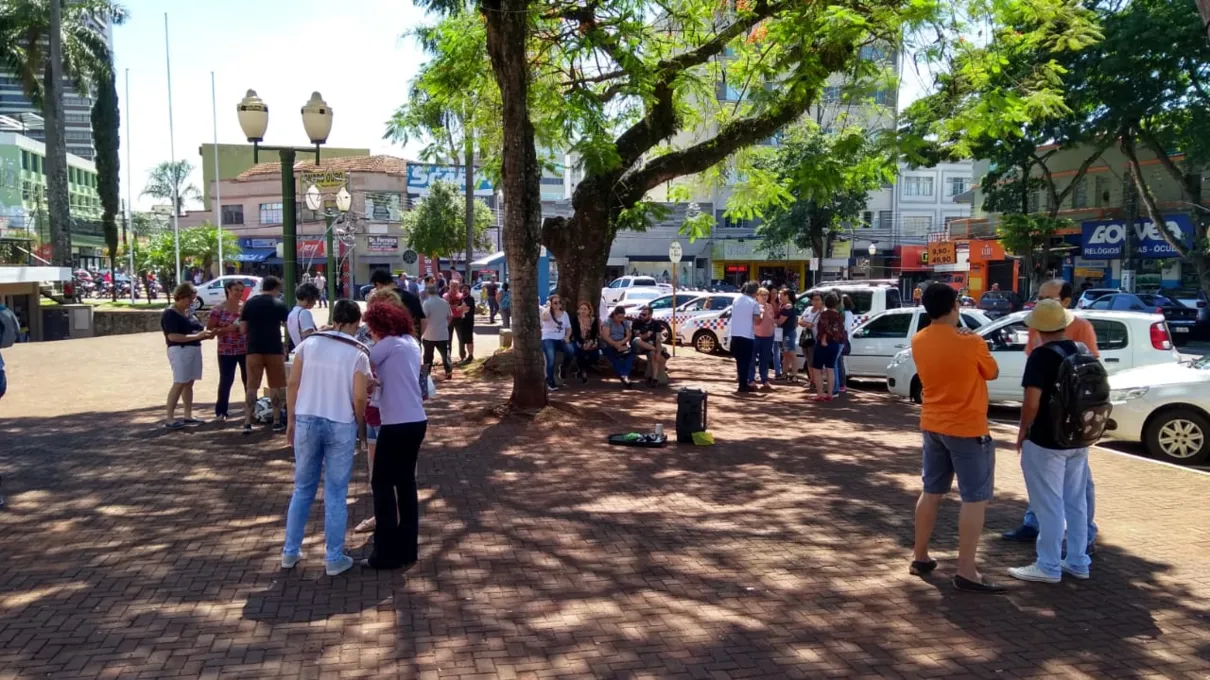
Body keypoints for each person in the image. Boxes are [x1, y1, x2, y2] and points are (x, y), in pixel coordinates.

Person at [910, 283, 1003, 593]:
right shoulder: (971, 341)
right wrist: (968, 338)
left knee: (931, 490)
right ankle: (966, 570)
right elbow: (992, 372)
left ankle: (920, 555)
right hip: (967, 427)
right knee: (975, 498)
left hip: (933, 424)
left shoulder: (919, 339)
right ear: (953, 307)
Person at [1004, 280, 1099, 548]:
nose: (1043, 300)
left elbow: (1032, 400)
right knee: (1075, 498)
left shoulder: (1046, 352)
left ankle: (1049, 563)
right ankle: (1079, 558)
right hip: (1077, 432)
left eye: (1049, 298)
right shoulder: (1078, 348)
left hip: (1049, 433)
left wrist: (1023, 430)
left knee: (1051, 500)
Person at [280, 299, 369, 577]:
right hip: (341, 422)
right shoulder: (358, 353)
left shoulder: (308, 345)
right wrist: (360, 422)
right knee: (336, 492)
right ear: (356, 322)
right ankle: (333, 556)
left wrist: (291, 419)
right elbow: (359, 396)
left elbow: (292, 383)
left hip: (307, 418)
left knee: (303, 489)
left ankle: (290, 552)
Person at [363, 302, 428, 571]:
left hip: (396, 423)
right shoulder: (411, 342)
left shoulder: (388, 344)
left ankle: (386, 552)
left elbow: (362, 358)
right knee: (405, 484)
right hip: (416, 420)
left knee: (381, 484)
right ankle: (408, 549)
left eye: (371, 328)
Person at [240, 275, 290, 435]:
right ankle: (276, 421)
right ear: (275, 288)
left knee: (251, 386)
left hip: (253, 348)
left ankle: (247, 422)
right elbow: (287, 324)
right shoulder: (279, 304)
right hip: (274, 348)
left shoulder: (249, 304)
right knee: (276, 385)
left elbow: (243, 329)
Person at [160, 283, 215, 429]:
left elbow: (197, 329)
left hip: (194, 349)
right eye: (191, 298)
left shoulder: (189, 312)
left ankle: (187, 414)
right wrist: (197, 336)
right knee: (179, 382)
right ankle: (169, 418)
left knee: (189, 382)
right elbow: (173, 337)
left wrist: (206, 334)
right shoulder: (170, 314)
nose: (192, 302)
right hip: (180, 350)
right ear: (182, 296)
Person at [206, 279, 248, 422]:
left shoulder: (245, 308)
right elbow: (209, 329)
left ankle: (251, 409)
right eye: (236, 290)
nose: (239, 293)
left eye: (241, 290)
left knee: (248, 380)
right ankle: (221, 411)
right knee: (226, 380)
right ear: (228, 290)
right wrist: (227, 329)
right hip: (226, 350)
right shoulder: (218, 309)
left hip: (245, 349)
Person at [810, 293, 846, 402]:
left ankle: (820, 393)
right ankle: (830, 394)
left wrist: (824, 339)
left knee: (817, 369)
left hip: (823, 343)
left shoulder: (824, 314)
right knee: (830, 369)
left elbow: (823, 328)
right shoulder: (840, 316)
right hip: (835, 344)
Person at [370, 268, 425, 337]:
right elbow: (423, 321)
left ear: (378, 284)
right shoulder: (413, 297)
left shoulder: (381, 300)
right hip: (413, 342)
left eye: (376, 287)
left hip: (392, 344)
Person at [730, 281, 763, 394]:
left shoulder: (737, 299)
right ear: (755, 292)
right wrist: (761, 315)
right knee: (746, 361)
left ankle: (741, 383)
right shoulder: (754, 303)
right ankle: (743, 385)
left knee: (739, 361)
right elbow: (757, 320)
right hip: (747, 335)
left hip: (735, 333)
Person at [421, 280, 454, 380]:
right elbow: (450, 316)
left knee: (428, 355)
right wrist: (446, 324)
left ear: (428, 292)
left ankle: (427, 373)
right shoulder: (444, 302)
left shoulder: (427, 303)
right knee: (445, 354)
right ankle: (448, 371)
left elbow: (424, 317)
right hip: (442, 333)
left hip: (429, 333)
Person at [600, 306, 636, 388]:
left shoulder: (625, 322)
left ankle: (624, 374)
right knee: (614, 357)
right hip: (609, 344)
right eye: (619, 317)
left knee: (630, 355)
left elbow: (628, 335)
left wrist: (621, 343)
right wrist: (614, 344)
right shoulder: (608, 322)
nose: (621, 319)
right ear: (614, 315)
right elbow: (605, 336)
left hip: (621, 344)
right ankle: (624, 376)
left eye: (622, 317)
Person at [631, 305, 666, 388]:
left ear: (650, 315)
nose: (642, 316)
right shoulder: (637, 322)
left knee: (653, 354)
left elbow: (658, 339)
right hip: (638, 346)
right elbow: (637, 336)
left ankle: (654, 378)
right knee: (637, 340)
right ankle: (658, 351)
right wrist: (645, 336)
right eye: (641, 314)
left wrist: (657, 351)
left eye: (644, 315)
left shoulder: (656, 324)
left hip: (650, 346)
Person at [750, 287, 776, 390]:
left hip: (768, 336)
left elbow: (772, 319)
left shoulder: (769, 306)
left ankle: (764, 379)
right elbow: (755, 321)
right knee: (752, 359)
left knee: (765, 359)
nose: (765, 297)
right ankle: (751, 379)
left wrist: (773, 326)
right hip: (755, 335)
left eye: (766, 295)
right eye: (762, 295)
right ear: (757, 296)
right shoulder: (753, 306)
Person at [798, 293, 823, 390]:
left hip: (816, 340)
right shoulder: (808, 309)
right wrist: (807, 324)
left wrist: (807, 324)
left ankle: (817, 381)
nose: (816, 302)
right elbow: (800, 320)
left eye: (818, 299)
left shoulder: (822, 312)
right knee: (808, 360)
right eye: (814, 300)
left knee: (814, 361)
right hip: (806, 338)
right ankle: (811, 380)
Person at [571, 301, 600, 384]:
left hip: (590, 341)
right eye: (581, 309)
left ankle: (582, 370)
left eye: (585, 309)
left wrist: (590, 342)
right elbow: (575, 333)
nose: (583, 311)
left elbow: (594, 333)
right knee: (579, 353)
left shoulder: (593, 320)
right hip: (578, 340)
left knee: (595, 355)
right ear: (578, 310)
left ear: (589, 311)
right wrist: (582, 343)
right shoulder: (575, 319)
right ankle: (583, 373)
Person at [833, 294, 856, 396]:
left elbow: (845, 327)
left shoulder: (844, 313)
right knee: (839, 361)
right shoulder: (849, 313)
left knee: (838, 362)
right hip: (844, 338)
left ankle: (841, 384)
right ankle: (841, 384)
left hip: (841, 339)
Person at [287, 283, 321, 350]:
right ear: (307, 299)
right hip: (308, 353)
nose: (315, 303)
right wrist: (324, 330)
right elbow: (309, 337)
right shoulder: (304, 313)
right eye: (314, 300)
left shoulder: (292, 313)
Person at [777, 289, 799, 384]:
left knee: (791, 354)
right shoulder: (783, 306)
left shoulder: (788, 306)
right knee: (785, 354)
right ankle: (784, 373)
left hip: (787, 333)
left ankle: (794, 375)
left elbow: (780, 321)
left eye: (781, 294)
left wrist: (770, 320)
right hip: (783, 332)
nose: (780, 296)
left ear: (787, 296)